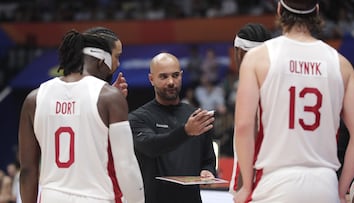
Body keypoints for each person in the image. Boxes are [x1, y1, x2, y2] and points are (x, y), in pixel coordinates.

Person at [233, 0, 354, 203]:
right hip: (324, 182)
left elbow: (244, 126)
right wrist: (340, 189)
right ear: (316, 11)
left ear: (279, 10)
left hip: (275, 182)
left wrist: (247, 185)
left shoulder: (258, 58)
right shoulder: (341, 64)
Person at [18, 30, 144, 203]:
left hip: (50, 196)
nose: (116, 65)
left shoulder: (34, 98)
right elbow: (126, 166)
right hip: (96, 196)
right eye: (115, 59)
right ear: (101, 62)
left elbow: (27, 170)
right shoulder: (110, 97)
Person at [128, 52, 217, 203]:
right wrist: (185, 132)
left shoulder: (196, 116)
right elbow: (151, 146)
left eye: (175, 75)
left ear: (181, 76)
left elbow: (208, 158)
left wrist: (207, 171)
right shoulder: (138, 118)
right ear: (151, 79)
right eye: (163, 77)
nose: (171, 82)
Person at [228, 23, 272, 195]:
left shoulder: (253, 86)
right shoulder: (277, 84)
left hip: (255, 181)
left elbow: (248, 132)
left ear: (239, 52)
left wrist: (242, 185)